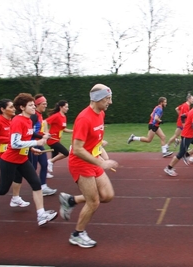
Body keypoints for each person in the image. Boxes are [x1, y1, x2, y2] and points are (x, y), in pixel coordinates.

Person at [58, 84, 118, 248]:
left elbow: (95, 141)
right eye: (107, 98)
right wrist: (102, 162)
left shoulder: (101, 114)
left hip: (94, 160)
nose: (110, 102)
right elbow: (77, 149)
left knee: (107, 195)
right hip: (81, 164)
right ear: (98, 99)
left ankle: (70, 200)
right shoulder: (84, 118)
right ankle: (77, 234)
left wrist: (103, 155)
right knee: (93, 202)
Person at [0, 93, 58, 225]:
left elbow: (24, 140)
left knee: (36, 184)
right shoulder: (18, 121)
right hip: (9, 160)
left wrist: (30, 148)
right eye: (30, 105)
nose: (34, 107)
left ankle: (41, 215)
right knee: (2, 190)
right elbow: (15, 143)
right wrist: (37, 143)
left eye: (34, 105)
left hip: (22, 159)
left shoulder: (29, 120)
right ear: (22, 107)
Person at [164, 96, 193, 177]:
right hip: (186, 136)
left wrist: (184, 124)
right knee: (180, 154)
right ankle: (168, 168)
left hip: (190, 135)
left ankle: (186, 155)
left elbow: (182, 116)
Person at [0, 99, 30, 208]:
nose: (14, 109)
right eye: (11, 107)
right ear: (2, 109)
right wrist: (9, 139)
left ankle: (15, 198)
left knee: (18, 175)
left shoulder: (13, 121)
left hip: (10, 155)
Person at [29, 94, 57, 196]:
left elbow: (37, 131)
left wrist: (44, 134)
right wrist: (42, 137)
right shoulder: (34, 115)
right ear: (38, 105)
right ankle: (35, 188)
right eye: (44, 104)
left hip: (39, 143)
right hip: (33, 144)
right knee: (33, 167)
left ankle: (43, 187)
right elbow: (29, 131)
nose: (46, 105)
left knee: (44, 164)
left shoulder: (40, 115)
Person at [44, 100, 73, 177]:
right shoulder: (56, 116)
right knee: (66, 153)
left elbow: (64, 129)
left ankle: (45, 172)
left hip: (57, 139)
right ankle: (49, 161)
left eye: (67, 107)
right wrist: (46, 132)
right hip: (52, 140)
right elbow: (45, 122)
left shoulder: (64, 117)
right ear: (61, 107)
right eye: (66, 107)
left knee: (54, 156)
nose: (67, 108)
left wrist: (73, 131)